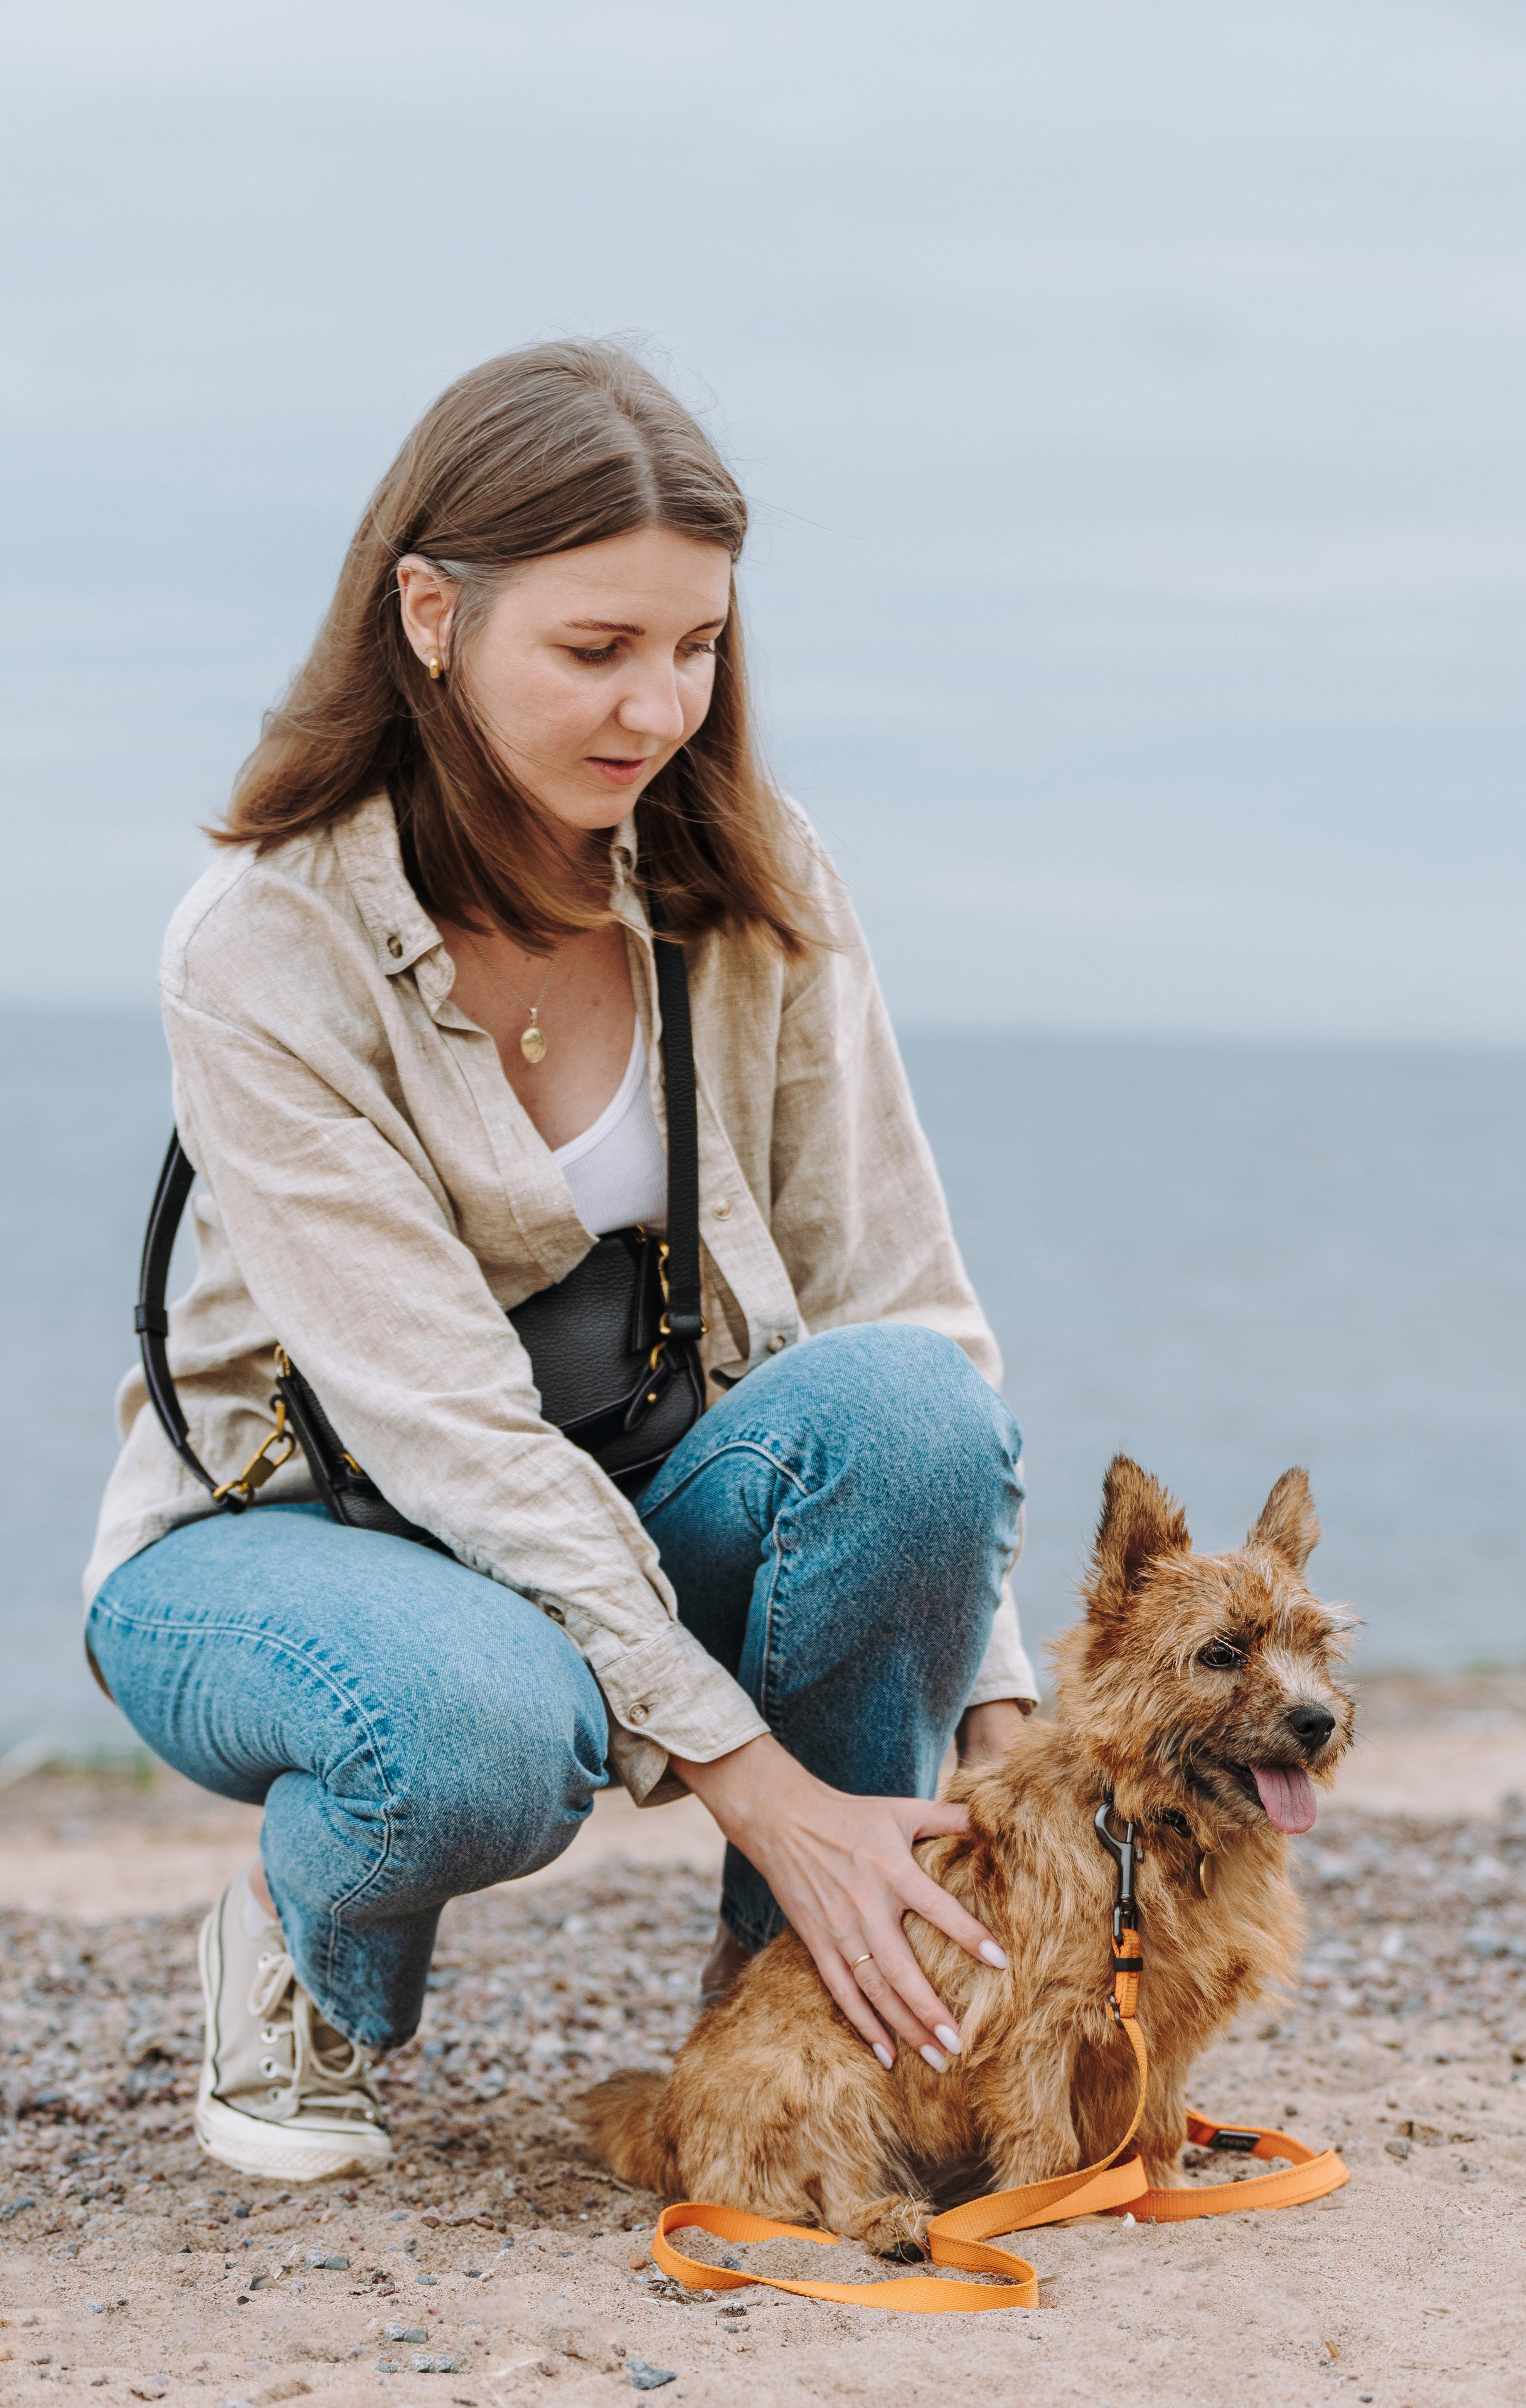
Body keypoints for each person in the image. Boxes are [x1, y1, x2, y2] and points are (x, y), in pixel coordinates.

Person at [84, 341, 1035, 2183]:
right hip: (297, 1543)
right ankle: (307, 1958)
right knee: (480, 1728)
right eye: (596, 650)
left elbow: (894, 1293)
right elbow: (448, 1434)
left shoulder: (755, 878)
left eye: (697, 648)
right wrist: (766, 1797)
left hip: (610, 1512)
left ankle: (814, 2018)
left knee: (909, 1414)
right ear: (431, 616)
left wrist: (997, 1721)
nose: (658, 706)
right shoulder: (262, 945)